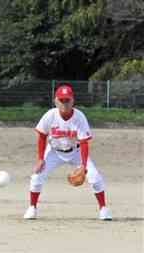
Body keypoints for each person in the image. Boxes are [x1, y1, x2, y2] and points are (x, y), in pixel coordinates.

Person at [25, 84, 111, 221]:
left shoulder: (79, 117)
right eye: (62, 100)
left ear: (73, 101)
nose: (65, 103)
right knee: (36, 176)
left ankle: (103, 209)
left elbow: (83, 142)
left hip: (76, 151)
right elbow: (42, 135)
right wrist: (40, 159)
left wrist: (83, 165)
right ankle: (32, 208)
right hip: (54, 151)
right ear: (55, 101)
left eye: (67, 100)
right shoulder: (50, 115)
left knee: (95, 178)